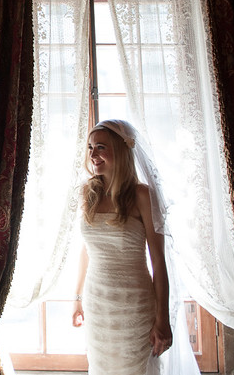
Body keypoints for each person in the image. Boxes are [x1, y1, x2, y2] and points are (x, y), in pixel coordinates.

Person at [71, 119, 176, 375]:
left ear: (120, 149)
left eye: (100, 147)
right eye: (90, 147)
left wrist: (162, 318)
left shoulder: (142, 195)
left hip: (135, 305)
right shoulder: (88, 193)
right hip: (98, 302)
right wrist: (77, 299)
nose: (93, 154)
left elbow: (159, 261)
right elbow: (86, 251)